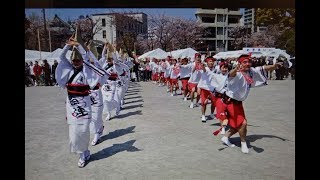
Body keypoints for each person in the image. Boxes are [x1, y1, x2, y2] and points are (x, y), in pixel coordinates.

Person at [220, 54, 283, 154]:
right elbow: (231, 74)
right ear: (240, 63)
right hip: (230, 102)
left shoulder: (251, 71)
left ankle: (226, 138)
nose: (248, 64)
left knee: (238, 125)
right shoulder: (238, 73)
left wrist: (274, 66)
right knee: (243, 123)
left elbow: (264, 68)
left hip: (238, 103)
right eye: (245, 62)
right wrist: (235, 69)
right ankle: (243, 143)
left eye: (249, 61)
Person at [55, 37, 100, 168]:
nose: (75, 62)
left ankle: (83, 153)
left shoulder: (86, 70)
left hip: (84, 104)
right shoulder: (68, 69)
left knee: (83, 131)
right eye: (73, 60)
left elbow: (86, 56)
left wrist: (78, 44)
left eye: (78, 60)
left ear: (81, 61)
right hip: (72, 105)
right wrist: (68, 46)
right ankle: (83, 152)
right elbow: (61, 56)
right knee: (74, 133)